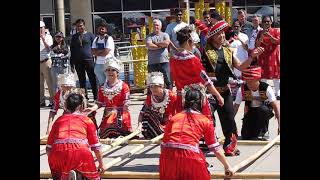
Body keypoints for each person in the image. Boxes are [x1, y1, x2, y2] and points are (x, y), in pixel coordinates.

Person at [201, 20, 264, 155]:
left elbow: (241, 67)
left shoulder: (228, 51)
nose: (222, 36)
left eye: (223, 33)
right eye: (219, 34)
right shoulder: (204, 52)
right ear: (212, 37)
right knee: (207, 120)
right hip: (209, 92)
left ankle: (230, 147)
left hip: (225, 91)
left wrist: (252, 57)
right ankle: (207, 146)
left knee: (229, 120)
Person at [159, 84, 234, 180]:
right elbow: (215, 148)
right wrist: (227, 166)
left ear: (185, 101)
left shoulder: (174, 118)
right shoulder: (205, 120)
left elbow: (163, 144)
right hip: (190, 154)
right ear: (202, 102)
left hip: (167, 155)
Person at [170, 26, 224, 122]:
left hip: (181, 99)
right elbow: (206, 80)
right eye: (193, 43)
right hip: (195, 99)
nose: (194, 46)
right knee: (202, 127)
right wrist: (218, 95)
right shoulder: (193, 59)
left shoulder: (173, 59)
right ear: (188, 42)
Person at [46, 92, 106, 180]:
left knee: (61, 173)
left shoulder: (59, 120)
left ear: (66, 106)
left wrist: (57, 162)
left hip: (58, 151)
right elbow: (96, 146)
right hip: (80, 151)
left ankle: (66, 174)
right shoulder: (87, 120)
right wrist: (101, 164)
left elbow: (48, 148)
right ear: (82, 106)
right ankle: (75, 173)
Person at [233, 66, 280, 140]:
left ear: (258, 79)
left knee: (263, 109)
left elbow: (275, 106)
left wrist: (279, 124)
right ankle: (254, 131)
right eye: (247, 81)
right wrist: (230, 122)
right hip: (251, 111)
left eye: (251, 81)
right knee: (246, 136)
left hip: (264, 110)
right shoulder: (242, 89)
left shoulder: (266, 88)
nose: (249, 84)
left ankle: (264, 132)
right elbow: (236, 106)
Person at [95, 59, 132, 139]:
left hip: (121, 112)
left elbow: (126, 100)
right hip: (108, 113)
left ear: (117, 73)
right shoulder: (102, 87)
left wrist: (126, 105)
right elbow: (100, 103)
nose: (110, 72)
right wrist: (91, 108)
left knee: (112, 122)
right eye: (108, 70)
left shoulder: (124, 86)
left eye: (113, 70)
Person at [137, 72, 177, 139]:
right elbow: (142, 113)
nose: (153, 89)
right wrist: (139, 126)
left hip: (171, 123)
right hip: (157, 123)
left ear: (161, 86)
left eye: (155, 86)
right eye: (151, 87)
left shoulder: (172, 96)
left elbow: (178, 113)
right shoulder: (150, 98)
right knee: (147, 114)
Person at [70, 18, 98, 101]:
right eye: (78, 26)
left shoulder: (90, 35)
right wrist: (72, 64)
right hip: (78, 62)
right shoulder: (74, 37)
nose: (79, 27)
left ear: (84, 26)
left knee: (92, 79)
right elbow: (72, 50)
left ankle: (96, 97)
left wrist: (96, 60)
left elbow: (95, 48)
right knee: (82, 81)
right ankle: (84, 97)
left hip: (89, 60)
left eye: (81, 26)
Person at [255, 16, 280, 100]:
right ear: (262, 23)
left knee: (276, 76)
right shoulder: (260, 32)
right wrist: (262, 36)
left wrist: (269, 35)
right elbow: (257, 45)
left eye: (268, 21)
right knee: (263, 75)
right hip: (263, 57)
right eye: (265, 21)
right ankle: (263, 94)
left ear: (271, 22)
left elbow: (277, 41)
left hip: (273, 56)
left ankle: (278, 93)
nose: (266, 23)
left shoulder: (276, 31)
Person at [146, 19, 172, 90]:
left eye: (157, 25)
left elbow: (167, 43)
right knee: (152, 82)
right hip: (152, 63)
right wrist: (161, 45)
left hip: (164, 62)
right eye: (154, 25)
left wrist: (155, 44)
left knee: (168, 81)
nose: (155, 27)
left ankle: (171, 96)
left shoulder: (165, 34)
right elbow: (149, 45)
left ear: (160, 26)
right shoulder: (149, 36)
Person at [92, 22, 115, 86]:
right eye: (100, 29)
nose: (101, 30)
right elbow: (93, 52)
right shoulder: (96, 39)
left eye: (103, 29)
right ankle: (103, 95)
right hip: (98, 64)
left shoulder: (109, 39)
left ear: (106, 30)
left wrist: (98, 52)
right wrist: (101, 51)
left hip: (107, 63)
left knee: (110, 83)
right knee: (102, 84)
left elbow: (106, 52)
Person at [40, 20, 55, 107]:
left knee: (50, 82)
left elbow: (49, 49)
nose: (40, 30)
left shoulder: (48, 37)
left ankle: (52, 100)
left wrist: (43, 38)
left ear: (44, 28)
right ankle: (41, 101)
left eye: (41, 28)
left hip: (46, 61)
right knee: (40, 84)